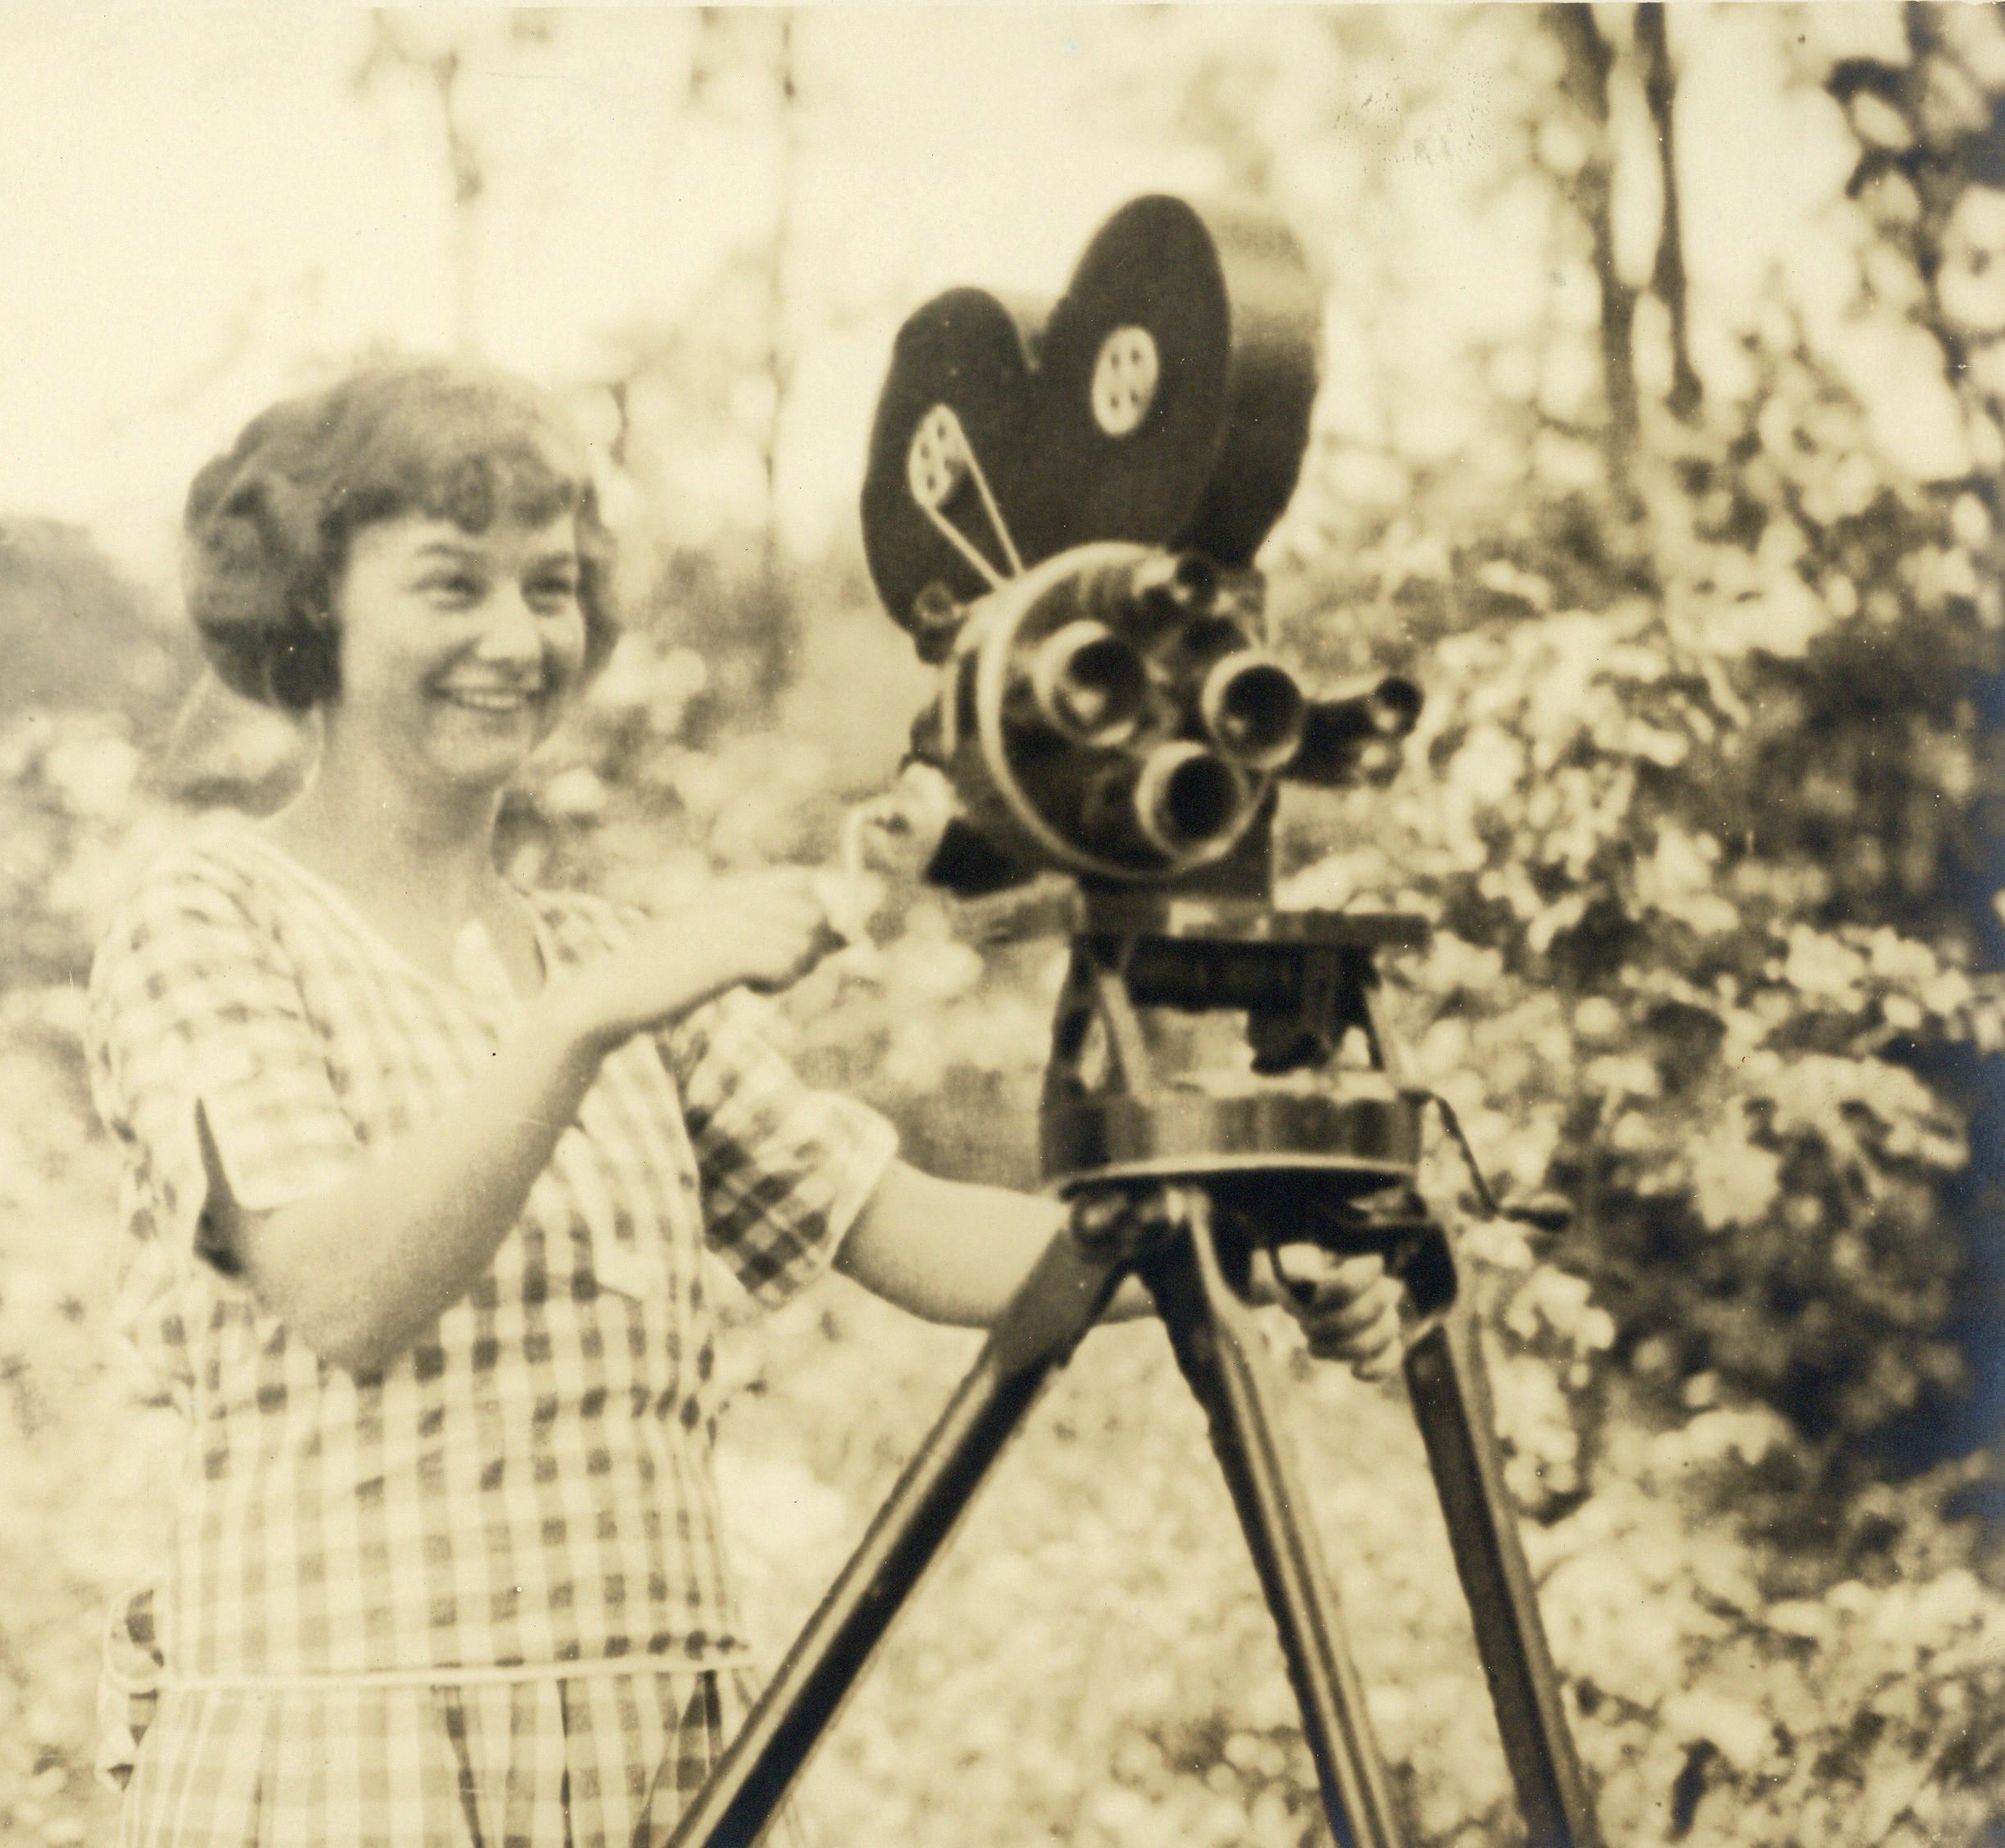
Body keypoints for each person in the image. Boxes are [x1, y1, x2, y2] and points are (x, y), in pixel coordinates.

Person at [85, 357, 1404, 1848]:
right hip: (344, 1773)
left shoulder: (590, 956)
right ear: (310, 609)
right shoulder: (212, 918)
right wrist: (586, 1024)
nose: (515, 638)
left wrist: (1235, 1248)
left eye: (550, 586)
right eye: (451, 587)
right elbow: (340, 1291)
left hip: (659, 1766)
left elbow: (905, 1233)